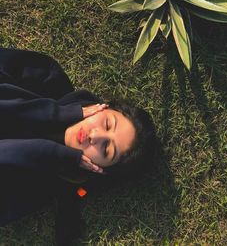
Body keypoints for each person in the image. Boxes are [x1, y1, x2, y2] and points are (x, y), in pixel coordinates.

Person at [0, 47, 157, 245]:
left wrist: (50, 154)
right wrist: (59, 113)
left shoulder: (38, 187)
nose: (96, 136)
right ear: (103, 107)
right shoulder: (47, 77)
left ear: (99, 168)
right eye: (107, 123)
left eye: (106, 149)